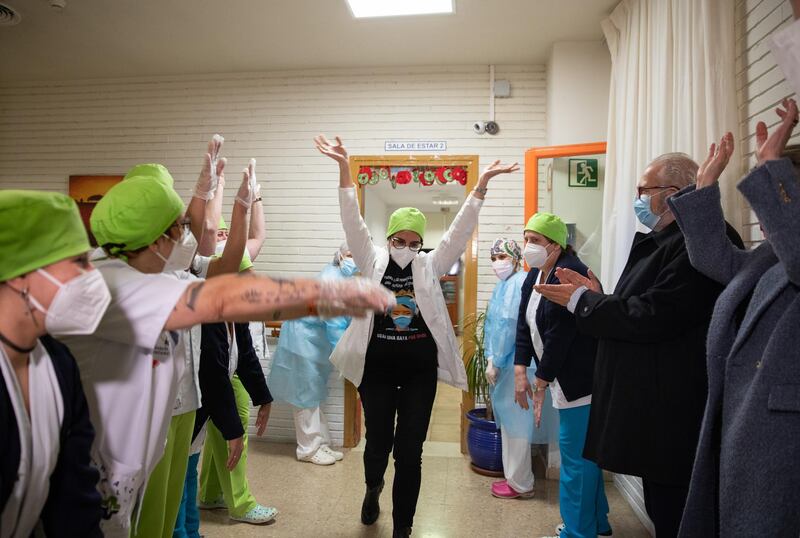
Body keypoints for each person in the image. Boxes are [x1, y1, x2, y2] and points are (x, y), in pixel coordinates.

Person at [59, 155, 394, 537]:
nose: (184, 238)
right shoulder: (115, 284)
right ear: (152, 238)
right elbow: (228, 298)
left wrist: (228, 200)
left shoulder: (145, 269)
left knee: (153, 519)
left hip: (149, 426)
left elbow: (222, 272)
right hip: (107, 443)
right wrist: (328, 294)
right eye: (177, 229)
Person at [315, 134, 519, 538]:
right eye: (399, 240)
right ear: (388, 239)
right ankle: (373, 488)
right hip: (375, 369)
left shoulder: (429, 265)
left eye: (413, 242)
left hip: (419, 372)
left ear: (421, 244)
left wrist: (480, 187)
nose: (406, 247)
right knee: (378, 446)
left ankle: (403, 528)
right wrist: (343, 169)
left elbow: (459, 234)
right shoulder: (370, 259)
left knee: (411, 453)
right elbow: (351, 219)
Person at [535, 154, 743, 538]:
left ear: (675, 194)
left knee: (677, 513)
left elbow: (653, 315)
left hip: (677, 408)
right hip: (657, 407)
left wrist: (585, 301)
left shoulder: (702, 243)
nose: (637, 199)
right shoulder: (666, 241)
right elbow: (642, 306)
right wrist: (599, 296)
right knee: (663, 506)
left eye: (643, 190)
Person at [668, 99, 800, 536]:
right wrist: (704, 189)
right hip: (748, 422)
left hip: (779, 438)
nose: (765, 215)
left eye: (776, 193)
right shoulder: (771, 257)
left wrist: (772, 168)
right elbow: (716, 261)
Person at [0, 191, 105, 537]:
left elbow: (73, 497)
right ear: (19, 273)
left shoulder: (58, 365)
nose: (92, 276)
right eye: (79, 263)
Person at [512, 214, 609, 538]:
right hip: (562, 377)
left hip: (581, 381)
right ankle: (597, 521)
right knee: (584, 455)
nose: (528, 247)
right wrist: (520, 367)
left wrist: (541, 382)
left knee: (575, 460)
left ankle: (578, 532)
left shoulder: (571, 273)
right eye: (526, 239)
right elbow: (524, 324)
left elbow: (560, 335)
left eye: (535, 241)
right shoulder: (537, 274)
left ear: (555, 244)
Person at [194, 222, 277, 526]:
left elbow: (244, 350)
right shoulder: (206, 310)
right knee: (233, 430)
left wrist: (264, 397)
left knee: (211, 442)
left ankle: (210, 493)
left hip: (228, 376)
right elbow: (214, 376)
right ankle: (240, 504)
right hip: (204, 389)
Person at [269, 243, 357, 466]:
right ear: (340, 256)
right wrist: (348, 358)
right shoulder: (333, 279)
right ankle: (308, 449)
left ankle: (320, 443)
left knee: (313, 393)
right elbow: (336, 323)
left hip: (312, 340)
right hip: (301, 340)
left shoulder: (345, 279)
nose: (354, 259)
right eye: (350, 254)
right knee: (305, 394)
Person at [483, 237, 557, 500]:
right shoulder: (503, 285)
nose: (497, 263)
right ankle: (515, 479)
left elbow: (508, 325)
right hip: (507, 364)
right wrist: (491, 357)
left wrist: (497, 359)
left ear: (515, 258)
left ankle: (520, 484)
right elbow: (493, 326)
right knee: (513, 425)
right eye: (493, 258)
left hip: (516, 365)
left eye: (501, 257)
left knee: (517, 427)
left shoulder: (517, 284)